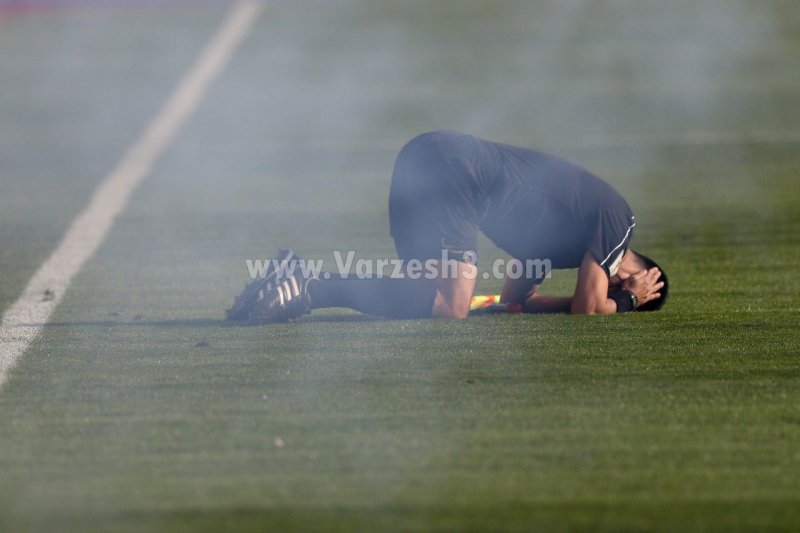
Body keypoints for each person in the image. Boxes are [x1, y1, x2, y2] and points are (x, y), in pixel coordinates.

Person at [226, 131, 667, 324]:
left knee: (430, 298)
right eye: (624, 285)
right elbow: (586, 309)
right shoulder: (618, 221)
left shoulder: (565, 241)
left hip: (433, 159)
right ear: (634, 272)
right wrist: (626, 302)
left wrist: (586, 299)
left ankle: (290, 282)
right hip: (457, 171)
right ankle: (309, 287)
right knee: (451, 305)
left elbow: (519, 299)